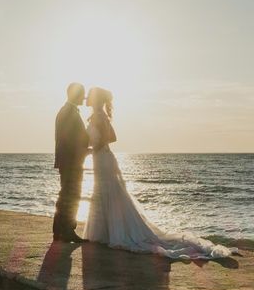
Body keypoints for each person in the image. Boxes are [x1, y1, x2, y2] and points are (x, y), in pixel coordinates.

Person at [82, 87, 237, 259]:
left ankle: (112, 234)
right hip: (102, 158)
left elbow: (110, 138)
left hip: (102, 159)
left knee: (108, 192)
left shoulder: (98, 116)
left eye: (89, 95)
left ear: (95, 99)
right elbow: (110, 138)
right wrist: (94, 148)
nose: (86, 98)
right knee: (105, 193)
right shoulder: (98, 115)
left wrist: (91, 149)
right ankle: (107, 233)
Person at [53, 83, 90, 243]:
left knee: (66, 194)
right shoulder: (68, 112)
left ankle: (60, 231)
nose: (84, 97)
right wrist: (85, 147)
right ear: (75, 95)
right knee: (71, 195)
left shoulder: (66, 111)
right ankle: (67, 230)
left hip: (68, 161)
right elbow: (69, 139)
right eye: (82, 94)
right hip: (71, 162)